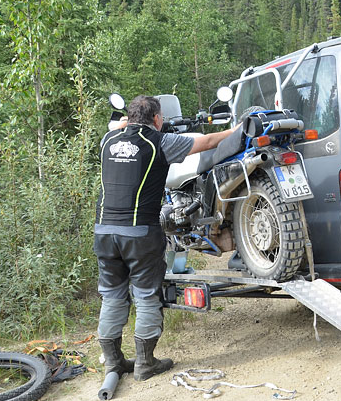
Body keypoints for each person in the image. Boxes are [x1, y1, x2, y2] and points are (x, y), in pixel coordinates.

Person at [94, 95, 238, 381]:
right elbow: (208, 143)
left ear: (130, 117)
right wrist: (238, 129)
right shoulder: (159, 141)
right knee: (147, 296)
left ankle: (113, 363)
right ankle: (145, 363)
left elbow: (122, 125)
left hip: (104, 231)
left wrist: (126, 121)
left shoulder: (108, 140)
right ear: (158, 119)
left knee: (111, 296)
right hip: (139, 232)